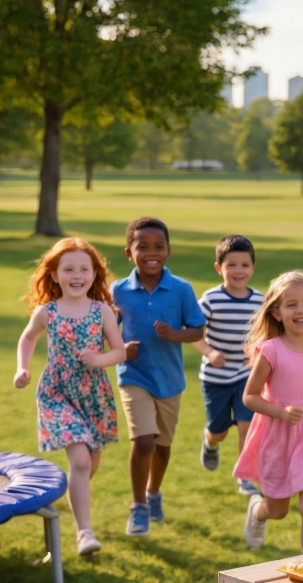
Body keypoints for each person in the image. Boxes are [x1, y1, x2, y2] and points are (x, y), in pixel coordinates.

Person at [14, 238, 125, 555]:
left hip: (94, 394)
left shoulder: (101, 311)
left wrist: (100, 359)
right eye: (69, 269)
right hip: (57, 392)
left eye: (84, 268)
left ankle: (77, 496)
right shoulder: (46, 312)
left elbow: (119, 351)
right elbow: (27, 338)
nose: (77, 275)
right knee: (79, 460)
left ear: (94, 273)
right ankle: (84, 533)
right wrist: (21, 369)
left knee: (89, 464)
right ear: (54, 275)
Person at [237, 271, 303, 553]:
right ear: (276, 312)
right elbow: (249, 397)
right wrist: (280, 412)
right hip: (277, 434)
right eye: (291, 304)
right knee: (278, 509)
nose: (301, 310)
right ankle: (258, 510)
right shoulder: (271, 351)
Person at [112, 217, 205, 537]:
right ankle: (138, 506)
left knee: (163, 445)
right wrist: (122, 347)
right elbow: (104, 333)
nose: (151, 253)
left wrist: (173, 334)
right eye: (142, 247)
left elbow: (197, 330)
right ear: (129, 252)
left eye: (159, 246)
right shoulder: (118, 291)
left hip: (169, 380)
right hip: (133, 374)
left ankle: (153, 493)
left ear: (168, 250)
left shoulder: (180, 289)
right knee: (143, 440)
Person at [193, 235, 264, 496]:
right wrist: (209, 352)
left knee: (248, 425)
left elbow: (268, 333)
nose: (238, 271)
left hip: (248, 374)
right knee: (219, 430)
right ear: (218, 268)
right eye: (231, 265)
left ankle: (244, 477)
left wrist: (259, 356)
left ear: (253, 268)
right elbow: (193, 332)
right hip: (215, 377)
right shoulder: (210, 299)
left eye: (245, 265)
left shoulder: (260, 300)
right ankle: (210, 441)